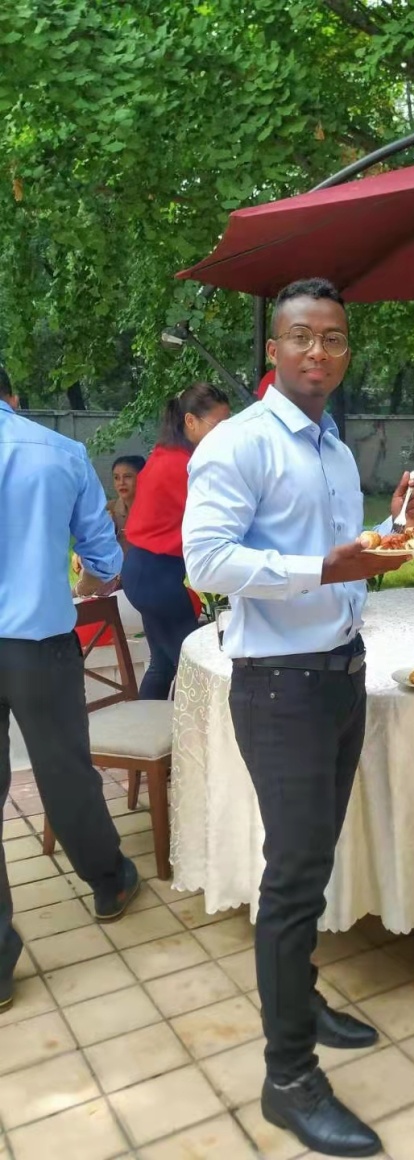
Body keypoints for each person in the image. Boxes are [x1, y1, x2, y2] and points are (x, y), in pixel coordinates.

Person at [183, 278, 414, 1158]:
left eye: (333, 338)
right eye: (301, 337)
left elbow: (342, 555)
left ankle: (304, 998)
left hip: (340, 675)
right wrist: (321, 570)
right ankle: (287, 1078)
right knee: (291, 882)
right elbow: (207, 560)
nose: (318, 351)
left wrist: (392, 530)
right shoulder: (240, 444)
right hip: (279, 687)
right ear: (273, 351)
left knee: (313, 866)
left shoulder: (331, 446)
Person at [0, 368, 139, 1011]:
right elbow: (105, 559)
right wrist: (85, 582)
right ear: (13, 397)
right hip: (40, 643)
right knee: (64, 771)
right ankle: (109, 883)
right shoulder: (60, 452)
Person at [121, 383, 230, 700]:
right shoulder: (182, 466)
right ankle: (199, 729)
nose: (226, 434)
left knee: (163, 664)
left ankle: (145, 725)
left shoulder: (166, 455)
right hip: (156, 577)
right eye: (219, 425)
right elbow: (215, 518)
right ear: (190, 421)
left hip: (144, 572)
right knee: (200, 666)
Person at [107, 454, 146, 552]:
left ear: (142, 477)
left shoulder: (155, 511)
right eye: (116, 478)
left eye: (127, 477)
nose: (121, 483)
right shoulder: (109, 509)